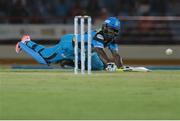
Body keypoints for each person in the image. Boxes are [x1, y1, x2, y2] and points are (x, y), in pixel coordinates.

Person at [15, 17, 123, 71]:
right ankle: (25, 42)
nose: (109, 32)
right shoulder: (98, 35)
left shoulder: (112, 40)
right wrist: (109, 63)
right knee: (44, 59)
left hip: (82, 52)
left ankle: (68, 62)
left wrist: (121, 67)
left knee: (99, 66)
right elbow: (100, 51)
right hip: (68, 46)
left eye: (112, 31)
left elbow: (116, 54)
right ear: (104, 27)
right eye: (108, 29)